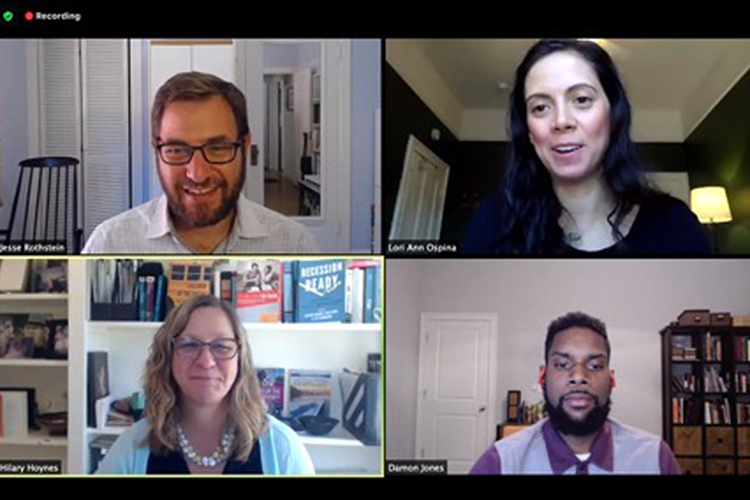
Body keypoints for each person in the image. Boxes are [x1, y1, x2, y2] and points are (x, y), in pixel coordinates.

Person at [461, 39, 711, 254]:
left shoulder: (675, 225)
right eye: (540, 107)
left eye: (581, 99)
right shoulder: (492, 222)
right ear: (528, 130)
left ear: (613, 114)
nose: (561, 121)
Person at [83, 72, 319, 254]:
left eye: (217, 148)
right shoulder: (108, 244)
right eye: (177, 150)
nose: (198, 174)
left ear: (245, 146)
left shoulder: (294, 245)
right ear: (156, 150)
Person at [96, 294, 314, 475]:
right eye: (189, 345)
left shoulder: (282, 447)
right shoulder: (132, 447)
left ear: (240, 359)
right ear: (168, 357)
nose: (206, 361)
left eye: (221, 346)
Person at [470, 311, 680, 475]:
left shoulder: (655, 457)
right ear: (542, 376)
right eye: (562, 364)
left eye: (596, 366)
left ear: (612, 379)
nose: (578, 376)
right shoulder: (500, 462)